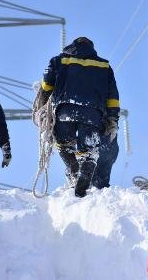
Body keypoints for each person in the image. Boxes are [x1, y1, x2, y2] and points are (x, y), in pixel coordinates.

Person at [33, 36, 120, 197]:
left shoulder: (59, 60)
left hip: (64, 111)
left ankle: (74, 171)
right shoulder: (104, 65)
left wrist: (41, 107)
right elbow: (112, 97)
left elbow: (46, 85)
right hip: (93, 115)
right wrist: (113, 119)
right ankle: (86, 168)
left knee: (64, 145)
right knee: (89, 150)